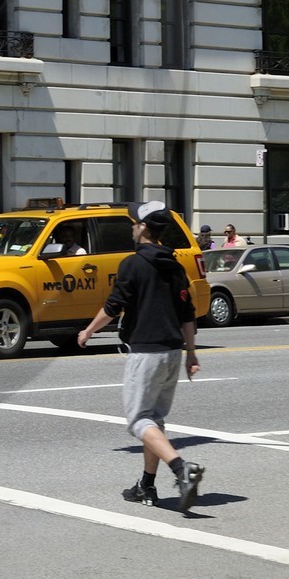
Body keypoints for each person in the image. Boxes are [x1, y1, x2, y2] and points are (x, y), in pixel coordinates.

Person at [77, 201, 205, 512]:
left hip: (146, 352)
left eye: (134, 224)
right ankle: (146, 485)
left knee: (138, 421)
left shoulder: (132, 264)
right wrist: (190, 353)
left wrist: (88, 331)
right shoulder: (175, 266)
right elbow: (187, 313)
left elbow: (113, 306)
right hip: (173, 351)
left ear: (144, 228)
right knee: (154, 420)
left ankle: (180, 469)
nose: (132, 228)